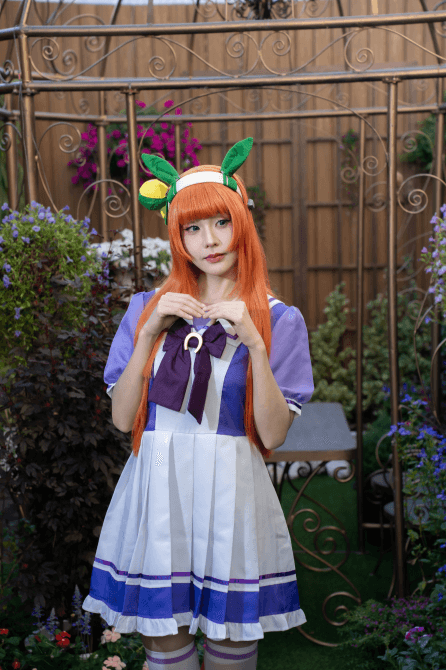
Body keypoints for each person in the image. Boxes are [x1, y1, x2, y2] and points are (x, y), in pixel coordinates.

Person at [82, 138, 314, 670]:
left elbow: (273, 435)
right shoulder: (147, 308)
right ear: (177, 235)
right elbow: (122, 419)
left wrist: (255, 344)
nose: (209, 241)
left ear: (242, 224)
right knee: (166, 644)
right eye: (192, 228)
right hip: (159, 487)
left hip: (231, 491)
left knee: (231, 645)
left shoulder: (279, 319)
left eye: (221, 223)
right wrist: (149, 333)